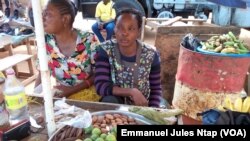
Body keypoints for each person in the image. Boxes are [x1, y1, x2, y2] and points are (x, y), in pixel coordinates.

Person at [94, 8, 162, 107]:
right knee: (109, 100)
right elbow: (100, 86)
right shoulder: (106, 50)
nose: (124, 33)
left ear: (138, 31)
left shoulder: (151, 54)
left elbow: (156, 89)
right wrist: (131, 92)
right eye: (120, 28)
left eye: (131, 29)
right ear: (114, 29)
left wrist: (152, 111)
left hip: (142, 105)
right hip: (116, 105)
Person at [34, 0, 100, 102]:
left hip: (88, 96)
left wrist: (71, 90)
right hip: (61, 96)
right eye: (43, 14)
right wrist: (35, 98)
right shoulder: (45, 42)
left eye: (48, 14)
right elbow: (42, 73)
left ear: (65, 19)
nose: (42, 18)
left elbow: (99, 74)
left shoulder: (89, 40)